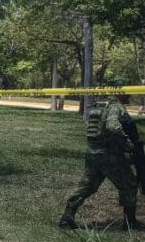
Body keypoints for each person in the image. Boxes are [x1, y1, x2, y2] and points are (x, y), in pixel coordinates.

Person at [59, 89, 142, 231]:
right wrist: (127, 144)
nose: (130, 94)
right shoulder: (115, 107)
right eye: (127, 91)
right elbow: (112, 127)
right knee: (129, 185)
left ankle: (67, 218)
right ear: (120, 92)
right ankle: (130, 222)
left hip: (93, 153)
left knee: (87, 186)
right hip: (110, 156)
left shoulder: (99, 105)